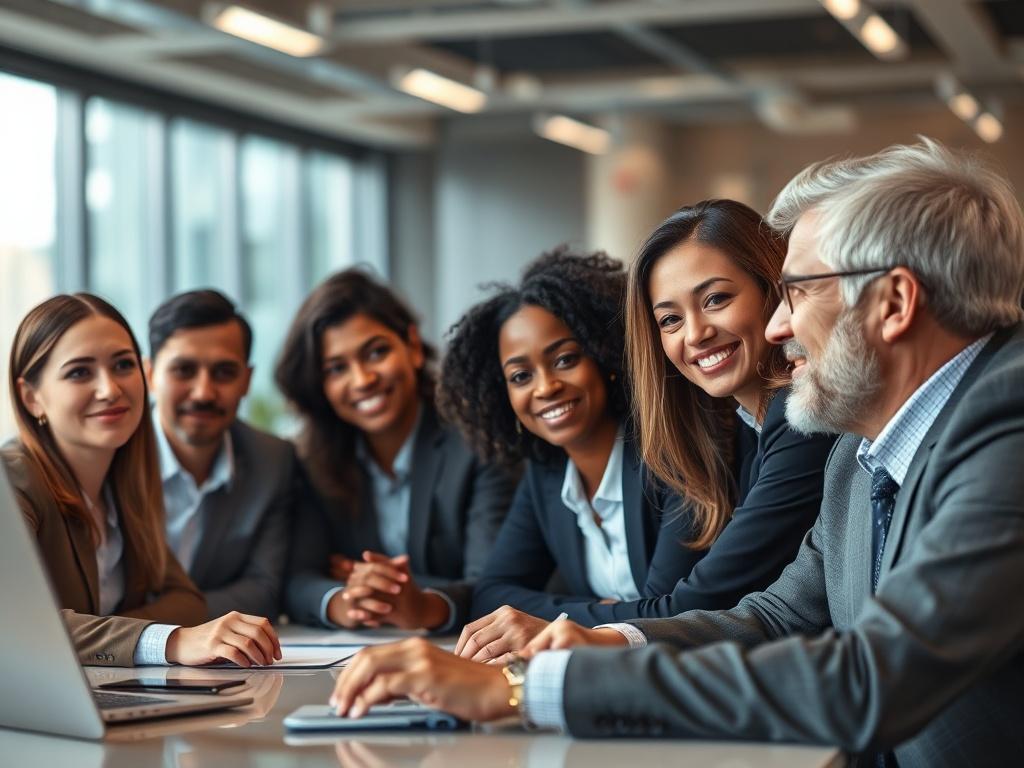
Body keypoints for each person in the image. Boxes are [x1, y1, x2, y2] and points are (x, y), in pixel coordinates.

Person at [330, 139, 1024, 766]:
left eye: (797, 292)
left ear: (894, 302)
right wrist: (610, 642)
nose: (779, 326)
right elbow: (776, 616)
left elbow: (869, 680)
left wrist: (530, 688)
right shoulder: (858, 453)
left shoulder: (1006, 429)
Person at [454, 204, 834, 662]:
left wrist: (563, 626)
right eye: (670, 319)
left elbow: (696, 604)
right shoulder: (749, 423)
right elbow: (492, 592)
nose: (695, 333)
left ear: (773, 291)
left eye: (716, 299)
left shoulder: (795, 420)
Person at [439, 249, 700, 660]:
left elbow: (676, 611)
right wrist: (607, 615)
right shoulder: (546, 473)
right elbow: (492, 593)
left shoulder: (669, 454)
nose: (545, 388)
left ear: (605, 357)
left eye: (565, 360)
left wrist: (563, 622)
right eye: (521, 376)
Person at [4, 293, 280, 668]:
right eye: (79, 372)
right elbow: (13, 626)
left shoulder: (125, 481)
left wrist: (88, 632)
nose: (111, 389)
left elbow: (186, 600)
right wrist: (168, 640)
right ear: (32, 397)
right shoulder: (13, 480)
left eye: (122, 365)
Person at [279, 269, 517, 632]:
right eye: (337, 368)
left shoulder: (478, 441)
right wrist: (344, 600)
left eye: (376, 353)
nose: (362, 380)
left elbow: (495, 586)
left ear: (413, 347)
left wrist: (413, 599)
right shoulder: (315, 459)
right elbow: (297, 581)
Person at [146, 290, 296, 620]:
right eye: (184, 370)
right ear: (150, 375)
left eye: (224, 372)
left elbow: (264, 590)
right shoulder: (109, 453)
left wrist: (141, 621)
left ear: (247, 380)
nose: (203, 392)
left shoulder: (273, 460)